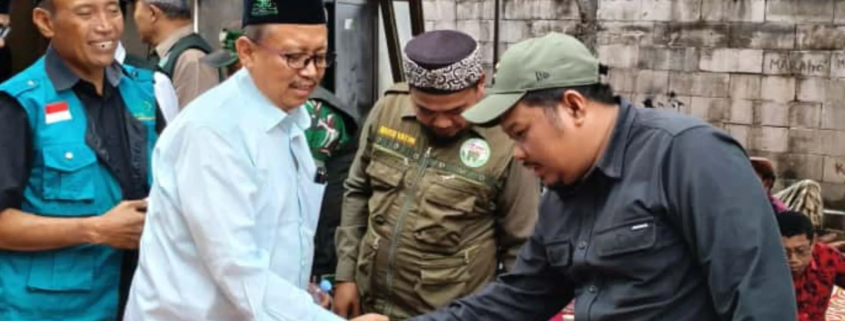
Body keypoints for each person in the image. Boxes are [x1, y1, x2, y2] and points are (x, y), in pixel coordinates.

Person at [407, 32, 797, 321]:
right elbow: (518, 297)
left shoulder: (688, 155)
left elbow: (760, 301)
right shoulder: (561, 197)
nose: (518, 154)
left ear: (574, 106)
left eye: (520, 133)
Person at [122, 0, 383, 320]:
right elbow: (238, 269)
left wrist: (303, 296)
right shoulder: (213, 133)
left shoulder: (291, 119)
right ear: (247, 52)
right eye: (294, 57)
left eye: (319, 57)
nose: (311, 72)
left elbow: (282, 240)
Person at [333, 29, 540, 320]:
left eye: (456, 111)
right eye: (426, 111)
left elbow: (521, 244)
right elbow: (357, 190)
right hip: (371, 305)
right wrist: (346, 276)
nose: (441, 123)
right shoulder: (389, 109)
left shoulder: (506, 138)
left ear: (480, 85)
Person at [0, 0, 163, 319]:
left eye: (113, 10)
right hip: (52, 310)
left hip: (139, 301)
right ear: (45, 22)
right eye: (85, 13)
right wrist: (95, 229)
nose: (105, 26)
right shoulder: (19, 104)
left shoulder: (142, 92)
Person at [131, 0, 218, 108]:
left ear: (152, 13)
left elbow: (196, 117)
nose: (134, 17)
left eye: (134, 8)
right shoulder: (167, 55)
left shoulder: (191, 59)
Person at [777, 210, 845, 321]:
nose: (793, 259)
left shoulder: (827, 257)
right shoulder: (762, 268)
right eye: (785, 252)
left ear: (813, 242)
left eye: (801, 251)